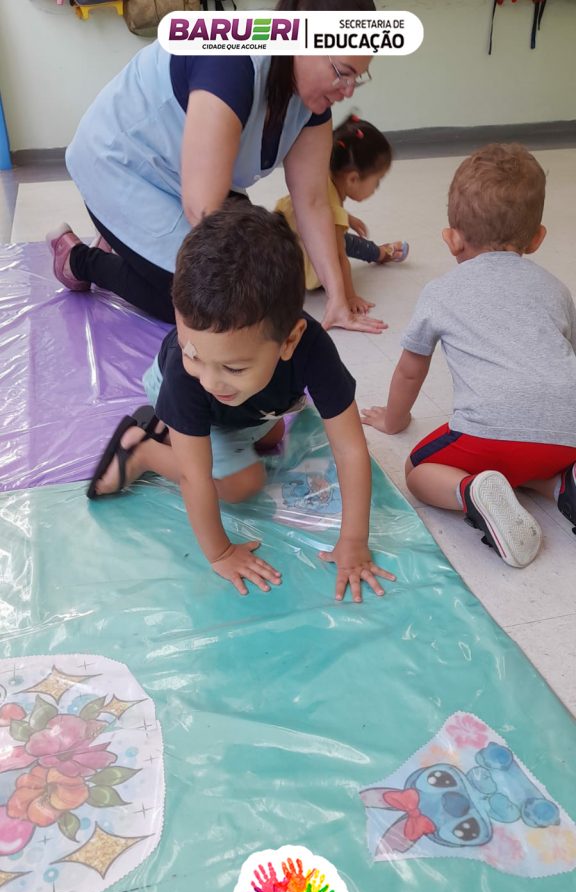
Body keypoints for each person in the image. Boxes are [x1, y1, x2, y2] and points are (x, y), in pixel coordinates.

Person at [87, 202, 396, 601]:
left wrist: (353, 540)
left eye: (233, 367)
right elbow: (196, 477)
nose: (209, 379)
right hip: (188, 400)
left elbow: (350, 448)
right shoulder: (187, 376)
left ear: (289, 340)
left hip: (253, 410)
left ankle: (176, 428)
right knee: (242, 483)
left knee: (273, 438)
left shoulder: (313, 347)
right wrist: (220, 553)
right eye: (193, 351)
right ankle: (142, 451)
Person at [46, 0, 386, 335]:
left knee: (257, 270)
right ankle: (78, 259)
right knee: (203, 301)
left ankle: (131, 242)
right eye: (342, 73)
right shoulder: (231, 61)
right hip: (120, 162)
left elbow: (312, 201)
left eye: (358, 77)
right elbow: (202, 208)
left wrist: (337, 299)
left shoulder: (312, 102)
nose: (348, 90)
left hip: (185, 172)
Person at [361, 143, 576, 568]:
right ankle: (562, 486)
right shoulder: (556, 289)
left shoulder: (440, 292)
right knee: (533, 453)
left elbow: (410, 371)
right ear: (537, 238)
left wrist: (394, 420)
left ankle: (472, 493)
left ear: (452, 239)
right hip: (567, 431)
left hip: (488, 433)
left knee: (418, 471)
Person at [276, 114, 408, 313]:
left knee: (342, 238)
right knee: (345, 243)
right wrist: (349, 296)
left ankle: (380, 253)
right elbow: (338, 256)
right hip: (302, 265)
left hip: (282, 246)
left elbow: (327, 208)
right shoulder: (334, 211)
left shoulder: (321, 177)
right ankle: (380, 253)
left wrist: (348, 218)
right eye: (377, 181)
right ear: (353, 179)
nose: (376, 188)